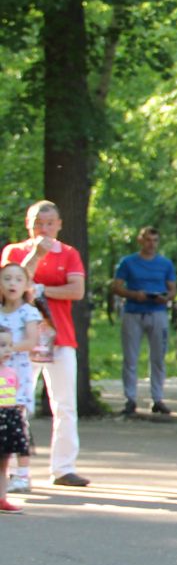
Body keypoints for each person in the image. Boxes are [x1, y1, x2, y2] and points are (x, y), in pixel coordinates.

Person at [3, 201, 88, 487]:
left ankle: (63, 468)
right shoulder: (14, 252)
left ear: (59, 224)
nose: (44, 229)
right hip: (23, 340)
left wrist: (44, 290)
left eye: (49, 223)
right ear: (29, 225)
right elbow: (13, 284)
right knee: (16, 404)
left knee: (65, 404)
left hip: (60, 336)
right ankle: (15, 469)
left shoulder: (69, 254)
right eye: (38, 223)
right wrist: (36, 255)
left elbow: (77, 290)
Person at [110, 226, 177, 417]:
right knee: (130, 358)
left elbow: (172, 289)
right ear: (140, 241)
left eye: (155, 240)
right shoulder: (128, 262)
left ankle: (157, 399)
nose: (151, 244)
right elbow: (116, 286)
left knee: (158, 358)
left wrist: (166, 297)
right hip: (133, 312)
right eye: (148, 240)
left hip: (157, 312)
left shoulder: (165, 264)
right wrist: (133, 294)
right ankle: (130, 399)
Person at [0, 263, 44, 495]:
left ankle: (23, 474)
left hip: (17, 376)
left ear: (26, 285)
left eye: (18, 279)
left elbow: (31, 341)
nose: (12, 284)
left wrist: (6, 349)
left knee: (17, 425)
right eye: (7, 279)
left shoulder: (29, 312)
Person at [0, 325, 29, 512]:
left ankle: (2, 498)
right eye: (2, 345)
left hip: (8, 420)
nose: (8, 350)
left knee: (4, 462)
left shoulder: (11, 373)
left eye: (10, 345)